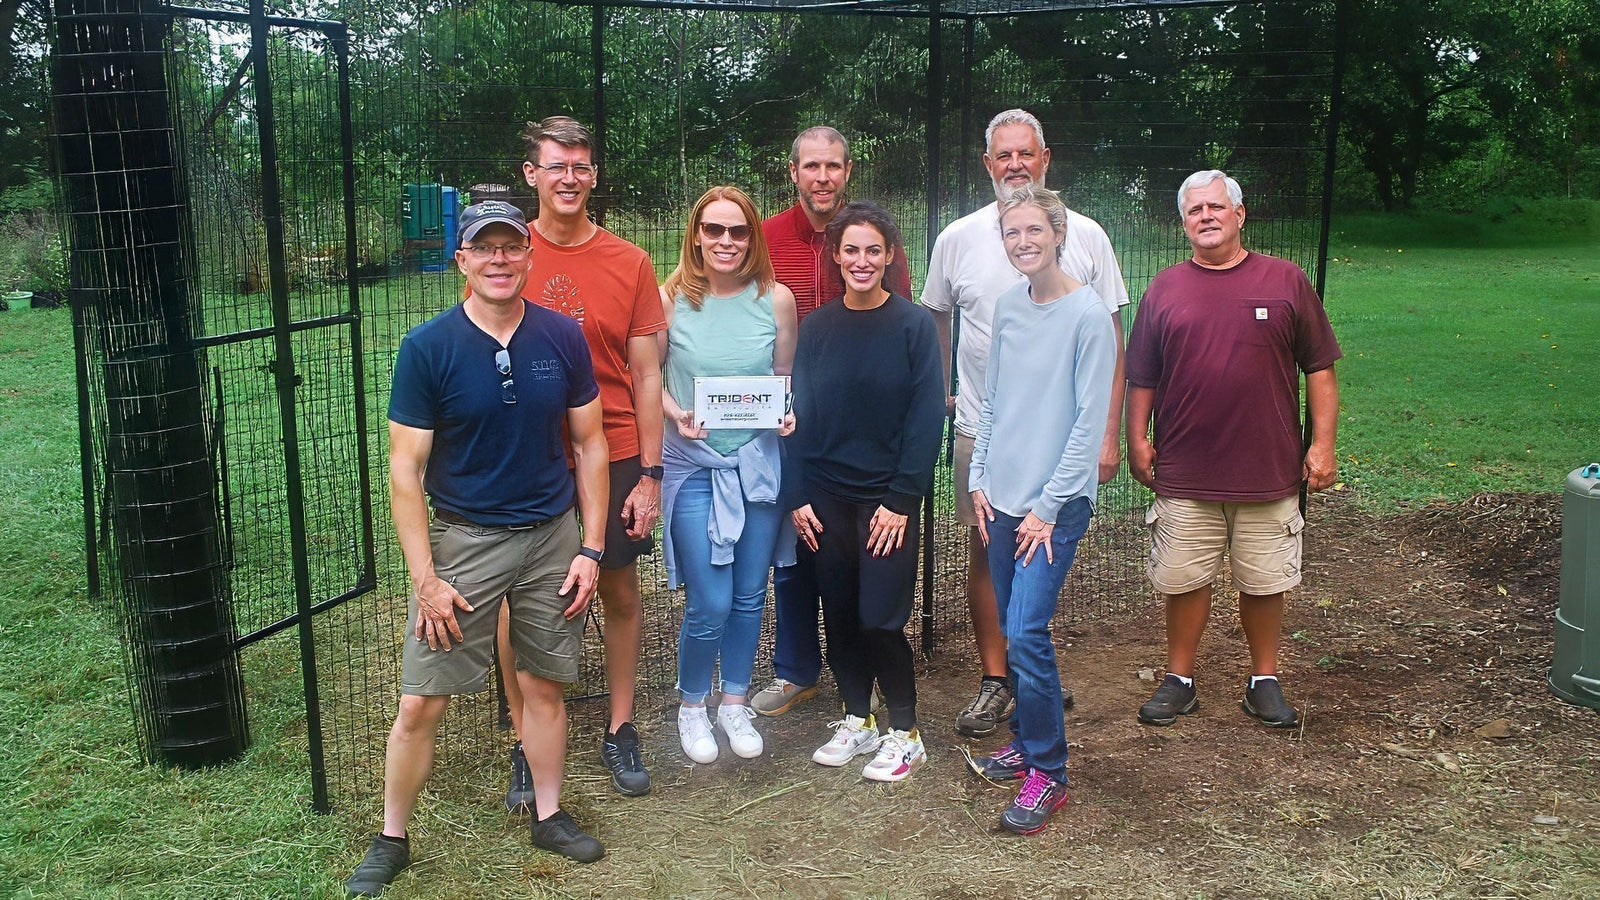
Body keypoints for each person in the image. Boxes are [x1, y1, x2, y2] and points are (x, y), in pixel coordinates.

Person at [346, 202, 609, 897]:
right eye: (483, 248)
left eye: (511, 247)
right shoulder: (428, 347)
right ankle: (392, 836)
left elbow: (589, 443)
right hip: (464, 544)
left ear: (529, 257)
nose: (499, 259)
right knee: (420, 704)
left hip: (553, 538)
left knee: (545, 686)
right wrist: (425, 578)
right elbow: (404, 471)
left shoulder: (561, 337)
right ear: (460, 261)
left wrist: (591, 546)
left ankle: (549, 814)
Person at [922, 108, 1130, 738]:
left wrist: (1108, 433)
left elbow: (1111, 339)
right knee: (988, 556)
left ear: (1046, 160)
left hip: (1063, 444)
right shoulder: (959, 237)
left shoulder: (1087, 237)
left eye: (1026, 153)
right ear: (987, 166)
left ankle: (1030, 676)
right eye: (1002, 155)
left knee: (1036, 578)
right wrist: (948, 394)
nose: (1014, 165)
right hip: (985, 440)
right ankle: (999, 680)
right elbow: (936, 317)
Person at [1125, 170, 1342, 729]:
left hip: (1267, 468)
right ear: (1183, 223)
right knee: (1183, 578)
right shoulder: (1164, 289)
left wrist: (1322, 445)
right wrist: (1136, 437)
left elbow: (1319, 368)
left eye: (1216, 207)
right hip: (1186, 468)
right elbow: (1142, 375)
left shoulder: (1287, 280)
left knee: (1266, 581)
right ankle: (1179, 680)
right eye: (1195, 210)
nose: (1206, 217)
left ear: (1240, 215)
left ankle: (1264, 680)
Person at [498, 115, 665, 805]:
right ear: (532, 175)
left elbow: (649, 374)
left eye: (581, 166)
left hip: (618, 448)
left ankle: (620, 727)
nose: (569, 177)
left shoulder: (628, 261)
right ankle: (526, 737)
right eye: (555, 166)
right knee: (519, 603)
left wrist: (651, 474)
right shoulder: (504, 251)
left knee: (620, 589)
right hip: (529, 456)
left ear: (593, 175)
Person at [963, 185, 1116, 835]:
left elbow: (1087, 423)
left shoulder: (1087, 314)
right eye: (1010, 232)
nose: (1022, 242)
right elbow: (992, 402)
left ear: (1057, 233)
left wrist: (1048, 508)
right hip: (999, 497)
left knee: (1025, 630)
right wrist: (977, 478)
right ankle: (1025, 740)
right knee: (1011, 623)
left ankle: (1048, 773)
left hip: (1054, 505)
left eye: (1033, 230)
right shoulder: (1008, 306)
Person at [753, 125, 914, 718]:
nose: (822, 177)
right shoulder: (764, 239)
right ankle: (799, 671)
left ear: (848, 172)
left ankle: (866, 675)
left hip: (858, 423)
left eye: (834, 167)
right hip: (779, 414)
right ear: (793, 171)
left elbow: (899, 321)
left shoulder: (871, 237)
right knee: (796, 550)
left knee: (849, 556)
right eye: (811, 166)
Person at [785, 201, 945, 782]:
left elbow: (926, 418)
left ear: (890, 257)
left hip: (885, 502)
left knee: (881, 616)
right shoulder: (818, 328)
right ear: (835, 257)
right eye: (850, 250)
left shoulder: (913, 326)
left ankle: (906, 731)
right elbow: (798, 414)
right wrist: (797, 494)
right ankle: (858, 718)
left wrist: (901, 499)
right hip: (825, 497)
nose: (861, 260)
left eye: (873, 250)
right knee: (841, 614)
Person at [656, 186, 798, 763]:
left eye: (737, 231)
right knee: (709, 600)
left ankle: (733, 702)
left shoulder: (777, 300)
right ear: (696, 235)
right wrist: (676, 414)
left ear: (752, 237)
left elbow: (783, 375)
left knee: (747, 596)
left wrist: (786, 412)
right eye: (714, 230)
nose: (726, 242)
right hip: (694, 468)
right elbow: (652, 379)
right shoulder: (669, 299)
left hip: (759, 467)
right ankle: (693, 707)